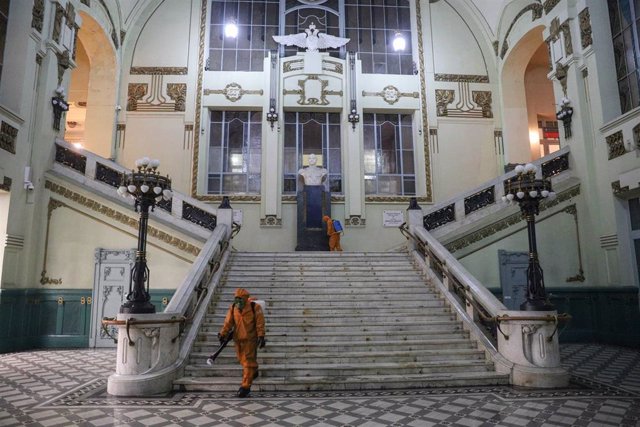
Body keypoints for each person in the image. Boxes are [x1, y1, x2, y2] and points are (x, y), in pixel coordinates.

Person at [218, 288, 266, 398]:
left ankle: (245, 387)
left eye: (240, 300)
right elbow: (228, 322)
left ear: (245, 300)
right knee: (242, 360)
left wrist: (261, 336)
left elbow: (260, 323)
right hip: (238, 339)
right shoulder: (233, 308)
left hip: (250, 339)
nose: (238, 302)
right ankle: (254, 370)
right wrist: (223, 334)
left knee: (248, 363)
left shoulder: (255, 308)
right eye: (236, 299)